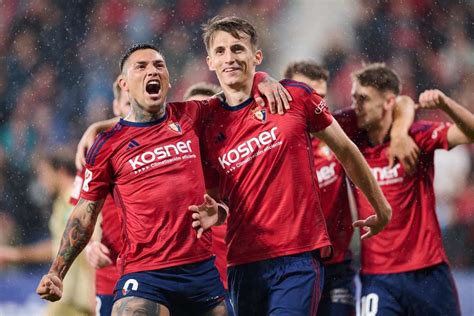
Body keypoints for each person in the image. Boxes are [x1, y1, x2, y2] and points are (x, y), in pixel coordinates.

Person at [37, 43, 289, 316]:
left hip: (200, 273)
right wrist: (57, 272)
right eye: (141, 66)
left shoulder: (190, 115)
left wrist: (263, 79)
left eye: (159, 65)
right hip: (145, 274)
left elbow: (232, 95)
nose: (152, 71)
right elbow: (84, 214)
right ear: (124, 84)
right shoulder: (108, 145)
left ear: (168, 78)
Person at [189, 16, 392, 316]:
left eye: (237, 49)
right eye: (220, 51)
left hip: (297, 257)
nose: (229, 58)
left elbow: (347, 151)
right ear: (209, 61)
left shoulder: (295, 97)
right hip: (243, 264)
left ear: (257, 56)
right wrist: (217, 213)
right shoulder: (207, 125)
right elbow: (220, 198)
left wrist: (382, 208)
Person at [283, 61, 418, 316]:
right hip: (293, 265)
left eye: (319, 96)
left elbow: (399, 102)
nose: (312, 103)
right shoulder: (273, 139)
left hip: (336, 267)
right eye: (304, 94)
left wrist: (399, 132)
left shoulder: (337, 127)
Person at [346, 64, 469, 316]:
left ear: (387, 102)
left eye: (364, 98)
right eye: (354, 97)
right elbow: (404, 102)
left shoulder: (417, 136)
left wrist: (445, 105)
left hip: (427, 272)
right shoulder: (350, 139)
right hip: (377, 277)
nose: (355, 105)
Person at [0, 153, 95, 316]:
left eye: (44, 174)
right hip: (67, 296)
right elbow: (61, 247)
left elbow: (88, 245)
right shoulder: (62, 202)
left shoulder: (75, 202)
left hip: (79, 297)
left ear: (61, 171)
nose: (42, 182)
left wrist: (94, 291)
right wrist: (16, 255)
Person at [75, 79, 131, 316]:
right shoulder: (98, 149)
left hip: (158, 273)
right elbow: (81, 213)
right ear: (116, 106)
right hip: (111, 275)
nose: (134, 109)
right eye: (128, 103)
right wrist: (90, 245)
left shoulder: (168, 143)